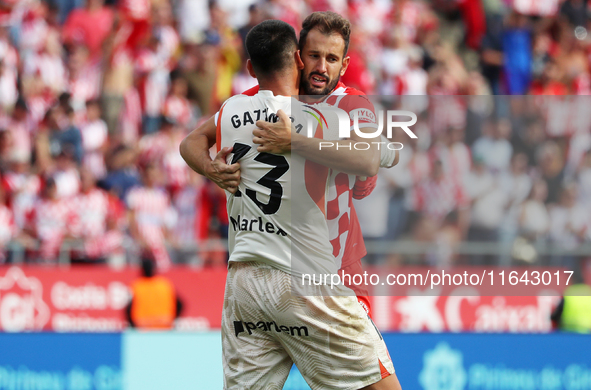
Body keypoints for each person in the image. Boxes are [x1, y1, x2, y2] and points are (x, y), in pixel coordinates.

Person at [201, 19, 401, 390]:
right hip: (311, 273)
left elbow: (192, 141)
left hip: (264, 273)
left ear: (345, 64)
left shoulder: (241, 107)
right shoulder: (315, 114)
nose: (321, 67)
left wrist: (211, 165)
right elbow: (375, 159)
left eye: (331, 58)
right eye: (313, 56)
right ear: (297, 57)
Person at [126, 256, 182, 329]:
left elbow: (129, 308)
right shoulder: (164, 284)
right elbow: (180, 304)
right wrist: (173, 319)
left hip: (142, 326)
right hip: (165, 325)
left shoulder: (136, 285)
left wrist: (132, 325)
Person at [550, 268, 591, 333]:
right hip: (588, 331)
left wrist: (552, 318)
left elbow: (558, 312)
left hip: (569, 330)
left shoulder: (569, 292)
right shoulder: (589, 291)